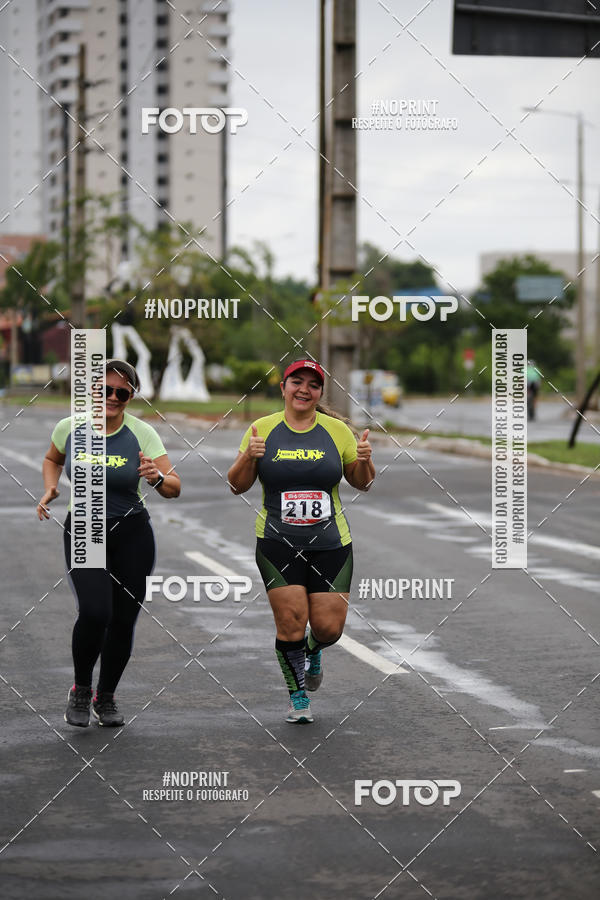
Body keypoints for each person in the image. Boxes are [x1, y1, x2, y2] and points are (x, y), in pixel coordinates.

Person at [227, 359, 375, 724]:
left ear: (320, 392)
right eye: (297, 381)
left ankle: (314, 649)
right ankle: (298, 698)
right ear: (283, 387)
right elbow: (236, 484)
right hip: (278, 541)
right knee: (291, 623)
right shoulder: (262, 429)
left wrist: (365, 460)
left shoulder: (337, 431)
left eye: (313, 384)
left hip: (330, 543)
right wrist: (249, 455)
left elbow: (363, 482)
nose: (304, 389)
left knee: (328, 628)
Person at [36, 359, 181, 727]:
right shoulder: (69, 428)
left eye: (122, 392)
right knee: (96, 612)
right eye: (104, 390)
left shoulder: (142, 434)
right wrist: (50, 486)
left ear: (131, 396)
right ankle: (82, 688)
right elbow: (53, 458)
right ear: (92, 392)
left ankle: (107, 696)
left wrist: (156, 476)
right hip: (84, 529)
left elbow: (174, 487)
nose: (112, 397)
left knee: (122, 620)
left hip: (132, 533)